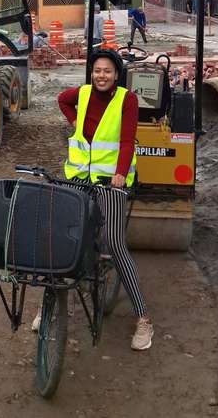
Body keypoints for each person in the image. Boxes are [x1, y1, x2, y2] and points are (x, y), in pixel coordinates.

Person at [52, 49, 153, 351]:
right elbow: (61, 100)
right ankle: (53, 309)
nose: (101, 76)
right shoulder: (81, 94)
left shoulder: (127, 100)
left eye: (107, 71)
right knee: (67, 236)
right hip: (80, 177)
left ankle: (143, 319)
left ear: (116, 74)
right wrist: (75, 124)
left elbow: (126, 141)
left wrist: (121, 174)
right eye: (97, 70)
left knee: (114, 241)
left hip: (111, 182)